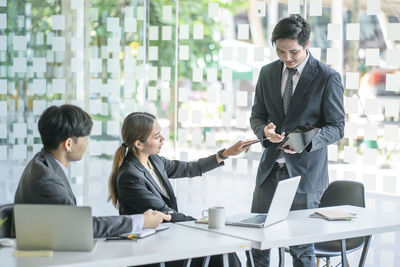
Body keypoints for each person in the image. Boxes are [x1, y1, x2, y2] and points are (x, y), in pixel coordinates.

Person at [249, 15, 345, 267]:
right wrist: (264, 131)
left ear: (307, 44)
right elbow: (257, 115)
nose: (287, 58)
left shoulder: (327, 77)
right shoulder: (268, 72)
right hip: (269, 171)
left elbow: (337, 127)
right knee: (257, 242)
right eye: (280, 51)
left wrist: (303, 140)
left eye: (293, 51)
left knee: (301, 247)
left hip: (305, 175)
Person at [107, 112, 253, 267]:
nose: (163, 139)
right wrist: (200, 223)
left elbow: (191, 168)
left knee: (222, 249)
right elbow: (165, 213)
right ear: (138, 143)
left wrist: (226, 153)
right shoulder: (129, 176)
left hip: (168, 236)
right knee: (218, 250)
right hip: (151, 248)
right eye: (157, 137)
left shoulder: (155, 161)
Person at [14, 105, 170, 238]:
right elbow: (81, 228)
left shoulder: (41, 162)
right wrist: (141, 221)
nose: (88, 143)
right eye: (86, 137)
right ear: (69, 144)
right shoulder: (47, 180)